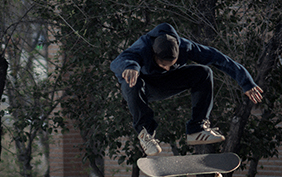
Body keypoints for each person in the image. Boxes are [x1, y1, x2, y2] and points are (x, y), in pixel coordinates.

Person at [110, 23, 264, 157]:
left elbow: (220, 59)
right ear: (154, 54)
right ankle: (145, 134)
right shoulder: (144, 46)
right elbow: (119, 60)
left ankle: (197, 128)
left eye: (171, 64)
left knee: (203, 73)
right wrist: (130, 67)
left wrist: (247, 83)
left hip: (167, 83)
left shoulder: (185, 47)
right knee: (131, 81)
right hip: (143, 88)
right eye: (163, 64)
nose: (167, 67)